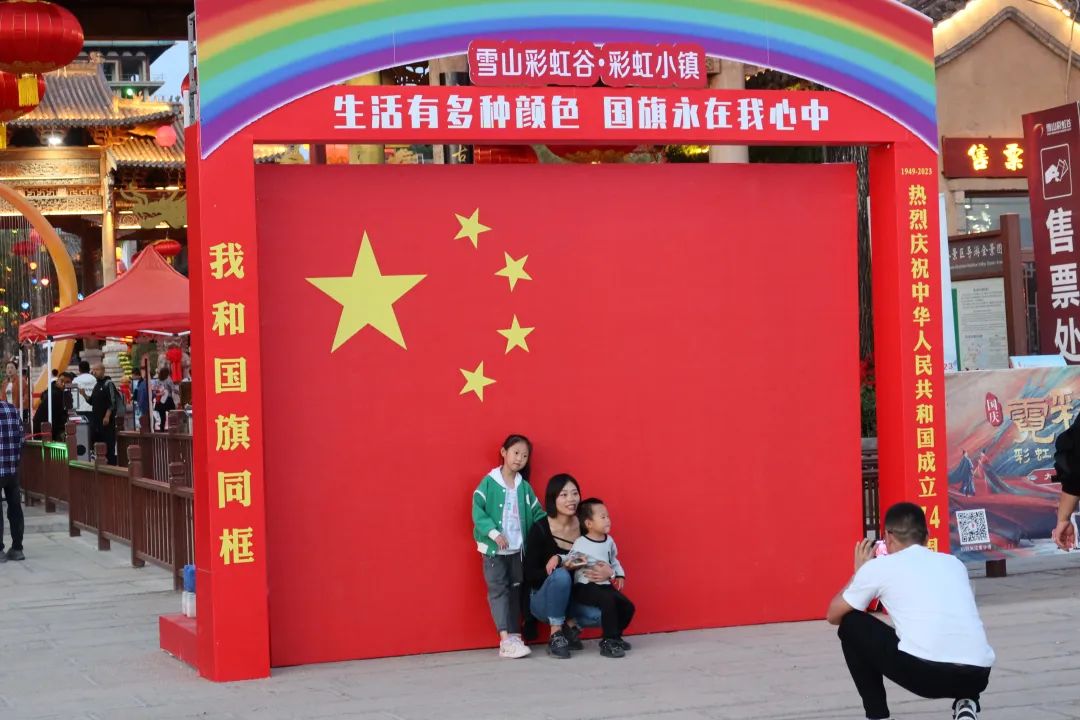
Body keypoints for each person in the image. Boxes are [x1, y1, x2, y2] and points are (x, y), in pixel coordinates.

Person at [827, 503, 994, 720]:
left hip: (928, 677)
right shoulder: (954, 564)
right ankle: (966, 703)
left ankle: (878, 715)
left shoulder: (879, 568)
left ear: (888, 537)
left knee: (851, 623)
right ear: (927, 536)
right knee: (957, 631)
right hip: (978, 676)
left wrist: (859, 574)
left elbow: (833, 614)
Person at [472, 434, 547, 659]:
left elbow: (538, 514)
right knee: (498, 591)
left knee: (516, 592)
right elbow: (477, 510)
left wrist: (552, 528)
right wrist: (494, 534)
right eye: (516, 453)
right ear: (504, 452)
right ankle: (505, 640)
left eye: (524, 456)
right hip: (494, 551)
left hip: (517, 551)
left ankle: (514, 636)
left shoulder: (524, 487)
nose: (519, 459)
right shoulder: (489, 482)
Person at [523, 474, 608, 659]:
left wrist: (607, 571)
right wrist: (561, 570)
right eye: (564, 494)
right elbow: (529, 574)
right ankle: (556, 635)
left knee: (603, 614)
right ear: (553, 499)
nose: (571, 499)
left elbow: (602, 554)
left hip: (573, 599)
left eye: (575, 493)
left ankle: (570, 629)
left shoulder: (586, 526)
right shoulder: (540, 528)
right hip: (543, 600)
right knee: (561, 575)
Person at [570, 498, 634, 658]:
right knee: (608, 601)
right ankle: (608, 641)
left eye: (608, 516)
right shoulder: (581, 542)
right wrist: (578, 562)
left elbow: (614, 560)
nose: (608, 520)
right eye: (603, 517)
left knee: (627, 606)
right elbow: (570, 559)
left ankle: (616, 636)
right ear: (589, 524)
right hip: (585, 585)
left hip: (604, 585)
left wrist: (619, 574)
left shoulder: (609, 541)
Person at [0, 394, 25, 561]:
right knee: (15, 508)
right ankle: (17, 549)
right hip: (12, 469)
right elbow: (22, 440)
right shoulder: (12, 410)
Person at [88, 363, 121, 466]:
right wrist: (83, 394)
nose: (94, 372)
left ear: (103, 370)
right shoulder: (97, 385)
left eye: (96, 370)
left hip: (107, 422)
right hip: (96, 422)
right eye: (93, 370)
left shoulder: (108, 384)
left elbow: (112, 402)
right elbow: (91, 401)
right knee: (97, 445)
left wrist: (107, 416)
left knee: (108, 446)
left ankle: (111, 467)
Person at [32, 371, 70, 440]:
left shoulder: (50, 390)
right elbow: (61, 414)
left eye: (67, 382)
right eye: (61, 381)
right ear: (57, 380)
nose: (63, 384)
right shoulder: (57, 394)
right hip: (46, 429)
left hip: (41, 426)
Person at [152, 366, 177, 431]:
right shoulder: (168, 379)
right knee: (172, 413)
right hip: (168, 399)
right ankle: (173, 428)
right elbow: (173, 388)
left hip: (160, 400)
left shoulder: (158, 380)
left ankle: (162, 428)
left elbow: (154, 390)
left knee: (162, 416)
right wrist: (178, 392)